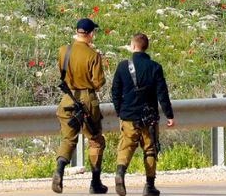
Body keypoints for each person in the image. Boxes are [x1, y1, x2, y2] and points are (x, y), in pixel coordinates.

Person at [109, 32, 175, 196]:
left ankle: (120, 173)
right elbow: (162, 94)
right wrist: (169, 115)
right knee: (150, 149)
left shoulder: (122, 66)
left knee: (126, 146)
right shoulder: (155, 67)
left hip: (128, 116)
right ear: (146, 47)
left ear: (133, 46)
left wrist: (120, 111)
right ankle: (149, 186)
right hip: (149, 117)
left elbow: (115, 91)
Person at [54, 18, 109, 194]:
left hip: (67, 99)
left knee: (68, 139)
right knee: (96, 140)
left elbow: (61, 73)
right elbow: (98, 82)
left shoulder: (64, 50)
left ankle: (59, 171)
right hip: (86, 100)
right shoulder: (93, 55)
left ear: (77, 32)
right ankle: (95, 182)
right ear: (91, 34)